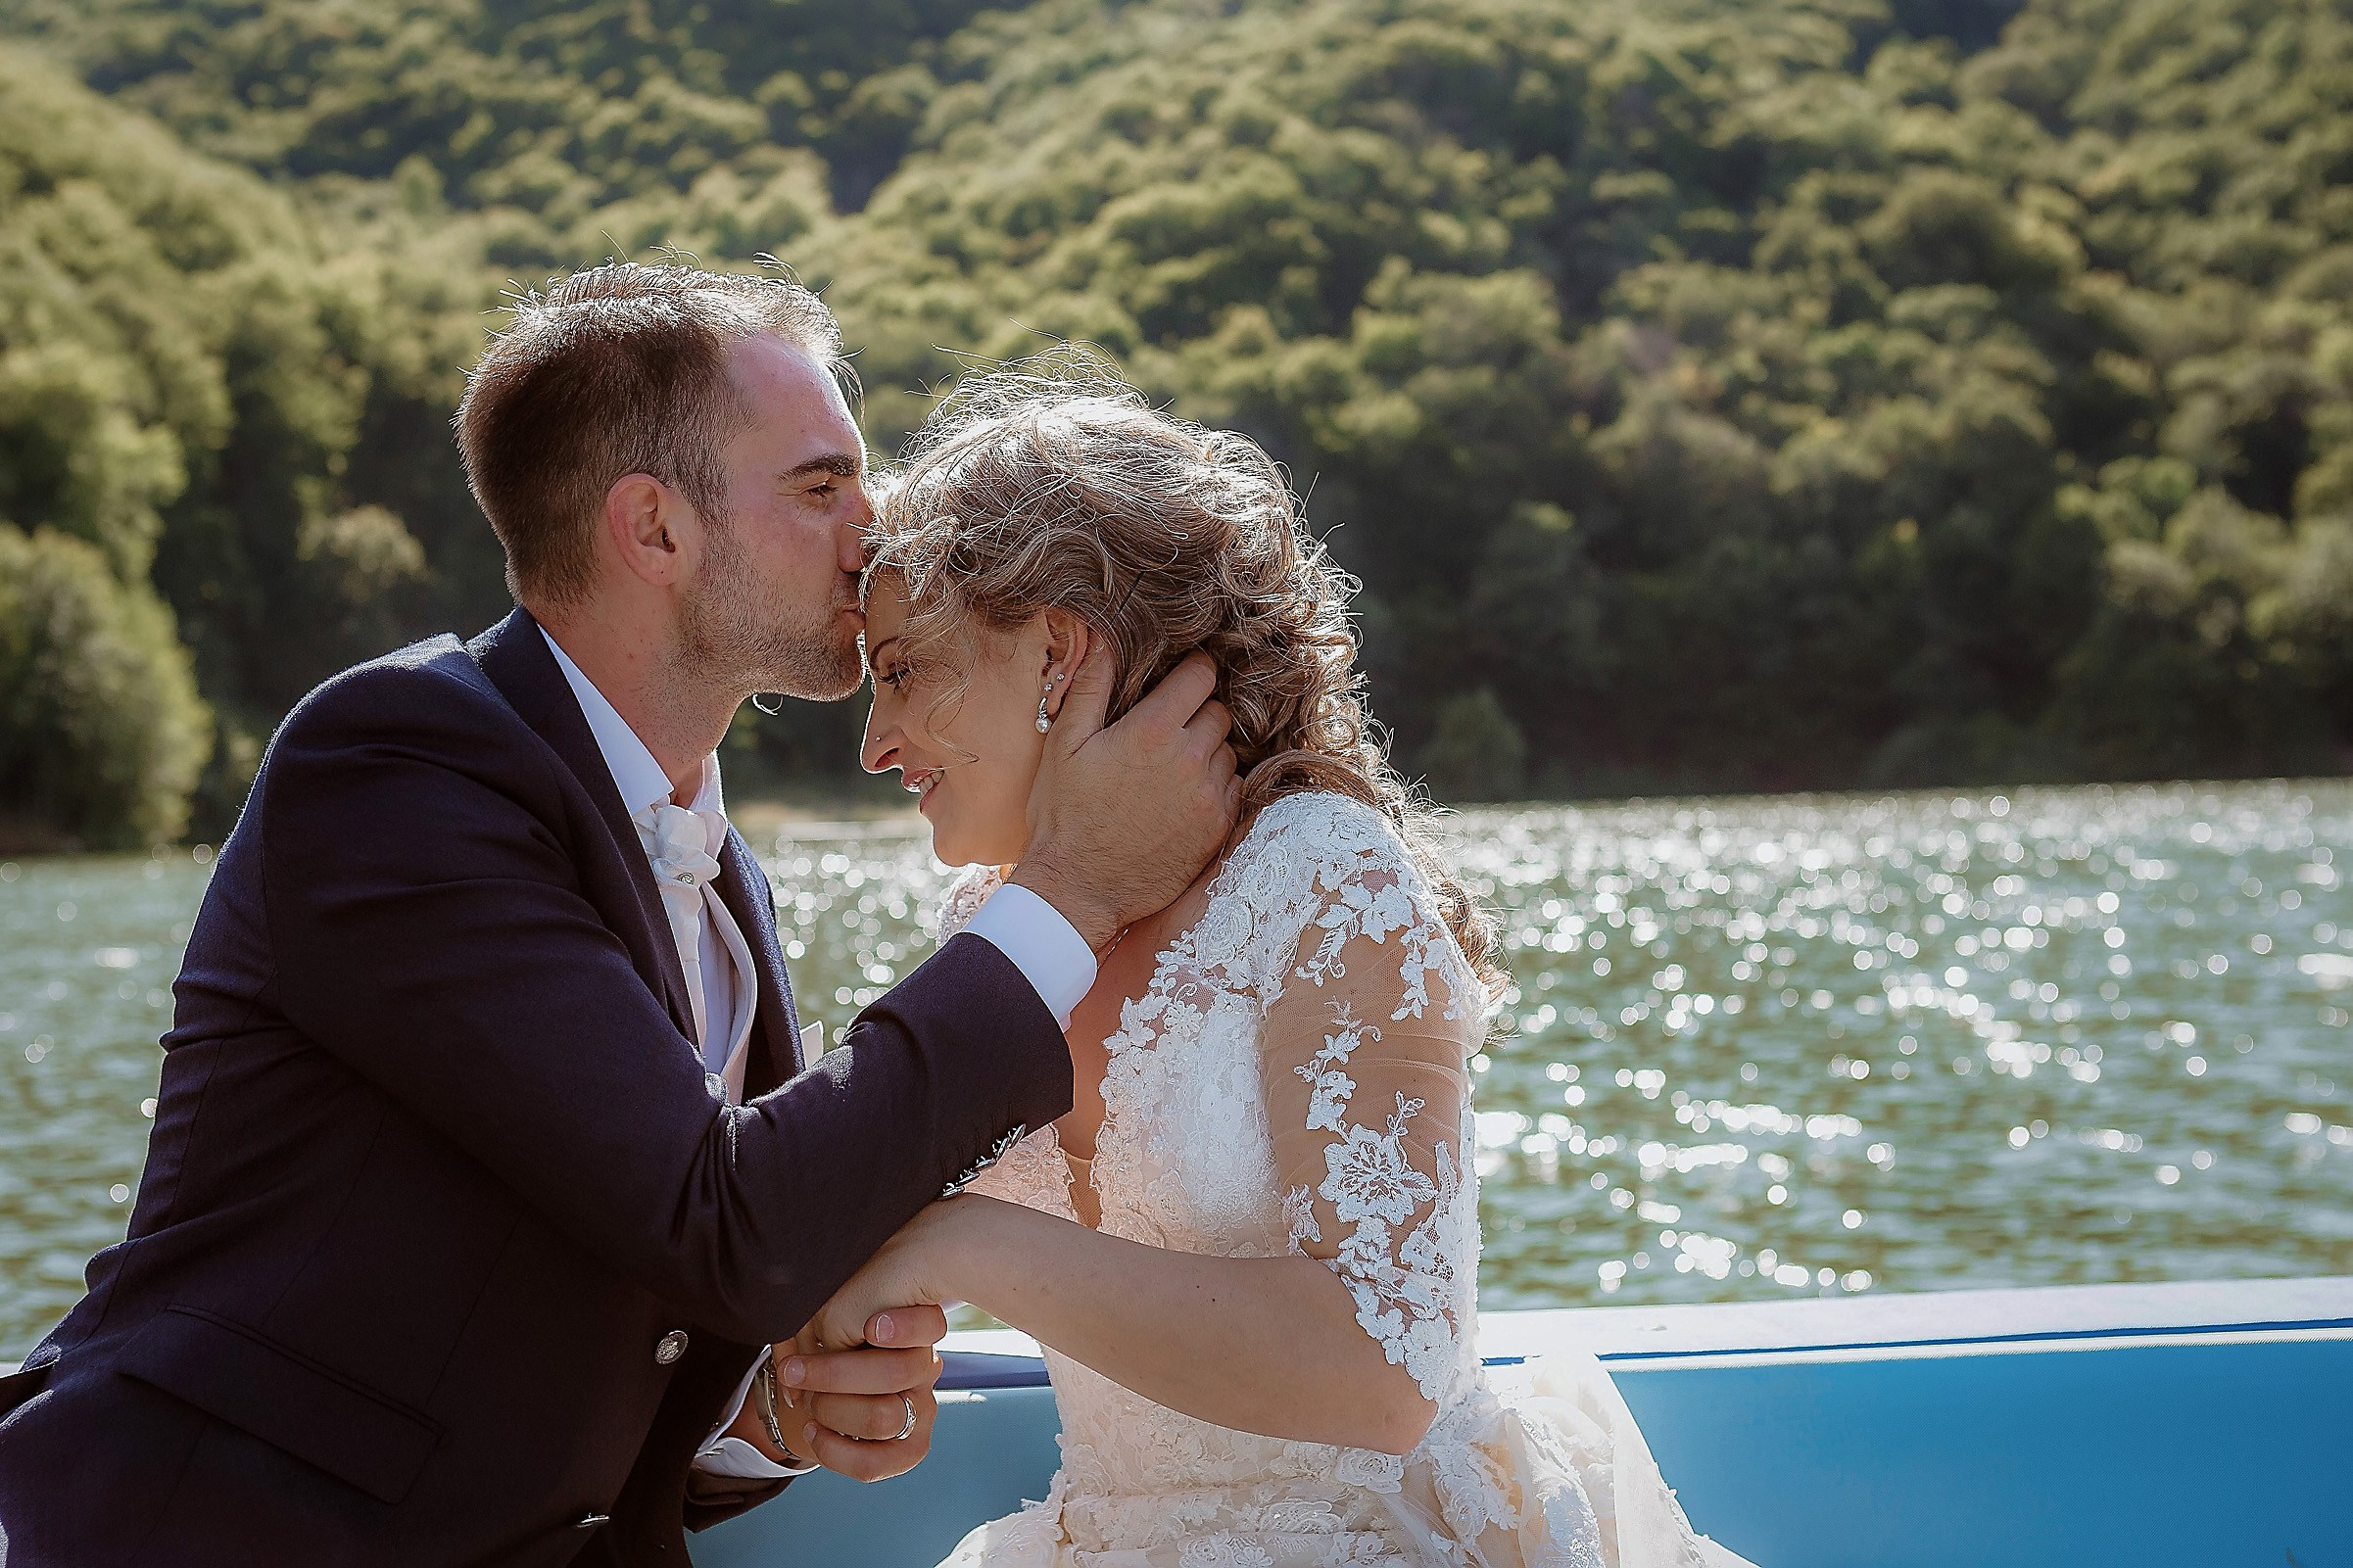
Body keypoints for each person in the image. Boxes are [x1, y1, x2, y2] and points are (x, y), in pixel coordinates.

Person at [0, 265, 1240, 1566]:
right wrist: (1067, 891)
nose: (874, 534)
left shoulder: (716, 872)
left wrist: (755, 1419)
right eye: (822, 486)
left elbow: (638, 1277)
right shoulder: (393, 767)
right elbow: (724, 1221)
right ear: (653, 531)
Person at [822, 363, 1757, 1567]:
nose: (872, 742)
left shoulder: (1316, 874)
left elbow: (1386, 1364)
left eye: (902, 669)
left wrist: (964, 1244)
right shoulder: (995, 929)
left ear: (1057, 649)